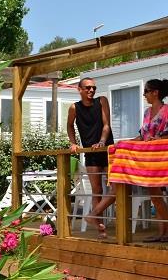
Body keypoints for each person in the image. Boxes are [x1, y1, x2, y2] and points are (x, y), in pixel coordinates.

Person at [67, 77, 114, 238]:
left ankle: (93, 214)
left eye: (93, 87)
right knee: (97, 190)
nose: (91, 90)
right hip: (90, 152)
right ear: (79, 89)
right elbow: (69, 125)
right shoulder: (74, 108)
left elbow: (106, 124)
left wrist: (101, 142)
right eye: (87, 88)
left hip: (107, 149)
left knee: (116, 188)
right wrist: (73, 143)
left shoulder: (101, 101)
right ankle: (100, 227)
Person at [136, 78, 168, 242]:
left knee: (157, 195)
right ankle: (162, 231)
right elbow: (142, 135)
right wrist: (125, 143)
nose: (144, 94)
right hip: (148, 159)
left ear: (155, 92)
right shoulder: (147, 113)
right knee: (155, 196)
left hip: (162, 158)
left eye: (146, 91)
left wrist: (157, 139)